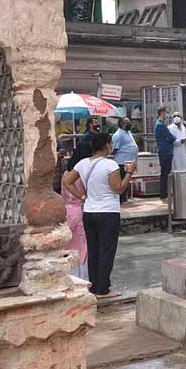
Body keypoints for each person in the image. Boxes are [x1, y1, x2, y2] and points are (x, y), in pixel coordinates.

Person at [63, 132, 136, 299]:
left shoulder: (82, 163)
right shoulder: (110, 165)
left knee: (94, 251)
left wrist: (81, 197)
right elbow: (118, 188)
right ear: (106, 145)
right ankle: (103, 289)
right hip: (108, 212)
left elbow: (68, 182)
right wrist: (130, 173)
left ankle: (94, 286)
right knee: (106, 251)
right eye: (110, 144)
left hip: (89, 212)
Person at [61, 149, 90, 280]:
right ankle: (82, 277)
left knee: (69, 246)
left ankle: (70, 275)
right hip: (79, 211)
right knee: (82, 246)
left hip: (67, 212)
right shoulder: (80, 175)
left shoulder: (66, 174)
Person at [111, 117, 138, 203]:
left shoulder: (128, 132)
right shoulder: (118, 135)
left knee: (128, 179)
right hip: (122, 161)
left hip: (130, 160)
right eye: (127, 123)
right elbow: (115, 149)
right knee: (122, 179)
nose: (130, 124)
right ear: (122, 125)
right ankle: (122, 199)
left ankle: (126, 197)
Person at [154, 106, 177, 199]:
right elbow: (171, 137)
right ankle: (164, 194)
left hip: (164, 151)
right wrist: (171, 139)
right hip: (165, 151)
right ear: (161, 113)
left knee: (165, 173)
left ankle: (164, 193)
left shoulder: (160, 124)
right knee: (165, 173)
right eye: (165, 113)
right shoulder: (161, 125)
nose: (166, 115)